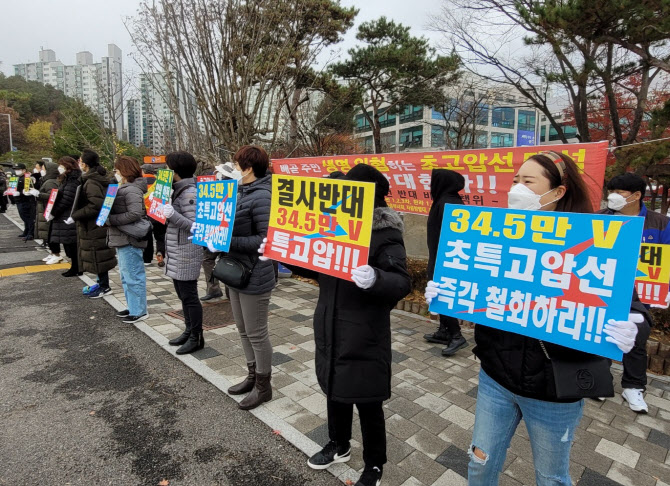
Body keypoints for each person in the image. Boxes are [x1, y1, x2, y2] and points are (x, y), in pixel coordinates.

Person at [425, 151, 649, 485]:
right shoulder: (497, 235)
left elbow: (635, 309)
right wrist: (449, 290)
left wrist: (634, 327)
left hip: (554, 391)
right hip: (495, 378)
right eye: (516, 180)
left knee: (551, 477)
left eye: (528, 182)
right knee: (480, 463)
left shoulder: (596, 242)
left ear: (558, 192)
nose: (518, 188)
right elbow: (481, 290)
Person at [264, 164, 411, 486]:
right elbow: (316, 267)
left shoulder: (385, 235)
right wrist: (282, 253)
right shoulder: (336, 228)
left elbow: (401, 283)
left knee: (368, 401)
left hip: (365, 334)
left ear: (366, 196)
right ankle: (338, 443)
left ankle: (374, 463)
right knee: (335, 390)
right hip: (329, 325)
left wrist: (375, 278)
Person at [222, 146, 275, 411]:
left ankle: (264, 387)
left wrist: (227, 240)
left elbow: (266, 240)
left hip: (255, 272)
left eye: (235, 164)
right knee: (243, 330)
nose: (232, 169)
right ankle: (252, 376)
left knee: (256, 333)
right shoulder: (239, 192)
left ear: (248, 168)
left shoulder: (263, 195)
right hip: (235, 270)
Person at [602, 172, 660, 413]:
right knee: (602, 333)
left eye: (619, 193)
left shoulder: (660, 223)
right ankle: (600, 380)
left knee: (637, 336)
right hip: (605, 288)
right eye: (610, 192)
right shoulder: (600, 219)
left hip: (640, 293)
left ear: (637, 195)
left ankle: (633, 386)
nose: (611, 197)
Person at [161, 151, 205, 354]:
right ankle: (188, 331)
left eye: (168, 167)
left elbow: (196, 226)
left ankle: (197, 336)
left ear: (176, 170)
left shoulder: (189, 192)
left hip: (186, 251)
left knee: (189, 296)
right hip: (177, 250)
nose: (165, 170)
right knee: (182, 294)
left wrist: (172, 214)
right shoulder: (177, 189)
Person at [424, 169, 468, 356]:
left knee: (441, 294)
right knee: (438, 293)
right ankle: (444, 331)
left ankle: (457, 335)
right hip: (438, 255)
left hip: (446, 259)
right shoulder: (445, 200)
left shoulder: (449, 203)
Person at [107, 156, 149, 323]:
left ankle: (139, 310)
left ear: (124, 171)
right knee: (126, 275)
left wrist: (112, 220)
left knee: (133, 275)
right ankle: (133, 306)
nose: (115, 173)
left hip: (129, 237)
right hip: (123, 236)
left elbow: (135, 213)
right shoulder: (124, 188)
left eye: (116, 170)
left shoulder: (131, 190)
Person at [71, 150, 118, 298]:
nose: (79, 163)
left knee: (96, 254)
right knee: (98, 254)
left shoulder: (91, 181)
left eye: (80, 160)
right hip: (97, 224)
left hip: (93, 225)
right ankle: (101, 282)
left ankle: (104, 286)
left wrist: (76, 215)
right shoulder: (97, 178)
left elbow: (95, 205)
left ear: (84, 164)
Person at [200, 161, 239, 301]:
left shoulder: (228, 191)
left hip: (225, 233)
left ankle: (217, 289)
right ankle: (225, 290)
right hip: (221, 232)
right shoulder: (235, 189)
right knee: (225, 260)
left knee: (212, 259)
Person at [50, 157, 82, 276]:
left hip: (68, 215)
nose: (59, 168)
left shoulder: (72, 180)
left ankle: (76, 268)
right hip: (64, 215)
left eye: (61, 166)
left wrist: (54, 212)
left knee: (71, 244)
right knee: (69, 244)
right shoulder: (67, 179)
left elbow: (67, 199)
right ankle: (75, 267)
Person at [34, 161, 62, 263]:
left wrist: (38, 194)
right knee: (48, 233)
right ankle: (52, 253)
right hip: (45, 210)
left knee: (50, 233)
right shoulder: (47, 180)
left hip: (48, 210)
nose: (41, 171)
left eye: (43, 169)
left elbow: (52, 196)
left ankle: (56, 253)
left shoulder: (50, 182)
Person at [13, 163, 37, 241]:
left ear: (24, 170)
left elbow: (28, 190)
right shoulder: (16, 178)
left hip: (26, 201)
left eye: (19, 169)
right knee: (24, 217)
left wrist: (20, 193)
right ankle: (26, 231)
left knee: (28, 217)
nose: (17, 171)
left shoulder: (27, 178)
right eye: (16, 169)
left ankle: (30, 233)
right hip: (19, 201)